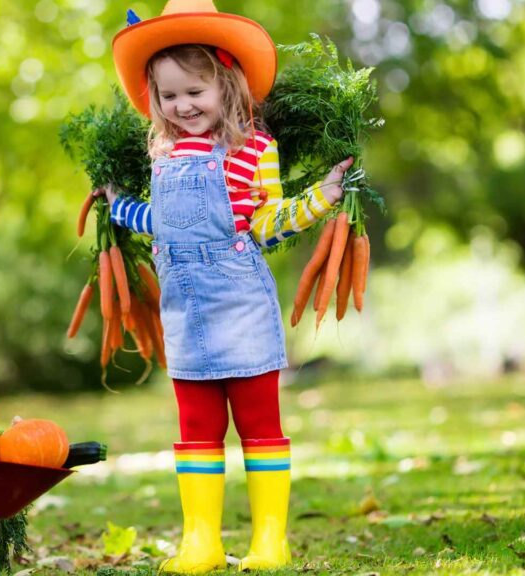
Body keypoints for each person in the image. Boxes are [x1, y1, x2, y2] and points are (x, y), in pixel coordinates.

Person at [105, 1, 354, 572]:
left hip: (238, 300)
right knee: (197, 427)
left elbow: (266, 224)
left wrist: (321, 198)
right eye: (169, 96)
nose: (182, 105)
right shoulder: (161, 154)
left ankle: (271, 540)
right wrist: (117, 204)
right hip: (184, 311)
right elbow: (160, 223)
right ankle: (202, 541)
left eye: (195, 91)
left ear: (226, 84)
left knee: (259, 422)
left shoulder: (253, 151)